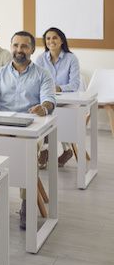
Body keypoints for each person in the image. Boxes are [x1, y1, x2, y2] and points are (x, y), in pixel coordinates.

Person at [0, 31, 56, 229]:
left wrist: (44, 107)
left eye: (24, 46)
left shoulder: (42, 74)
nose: (19, 50)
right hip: (3, 127)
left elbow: (50, 99)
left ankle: (26, 203)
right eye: (15, 45)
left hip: (31, 130)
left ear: (32, 49)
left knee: (26, 158)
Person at [35, 27, 81, 167]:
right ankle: (62, 149)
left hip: (67, 102)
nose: (51, 41)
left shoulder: (71, 58)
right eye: (48, 38)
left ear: (61, 40)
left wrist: (58, 88)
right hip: (47, 99)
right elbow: (35, 81)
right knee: (43, 112)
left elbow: (74, 84)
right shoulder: (41, 59)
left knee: (53, 114)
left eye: (54, 37)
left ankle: (45, 150)